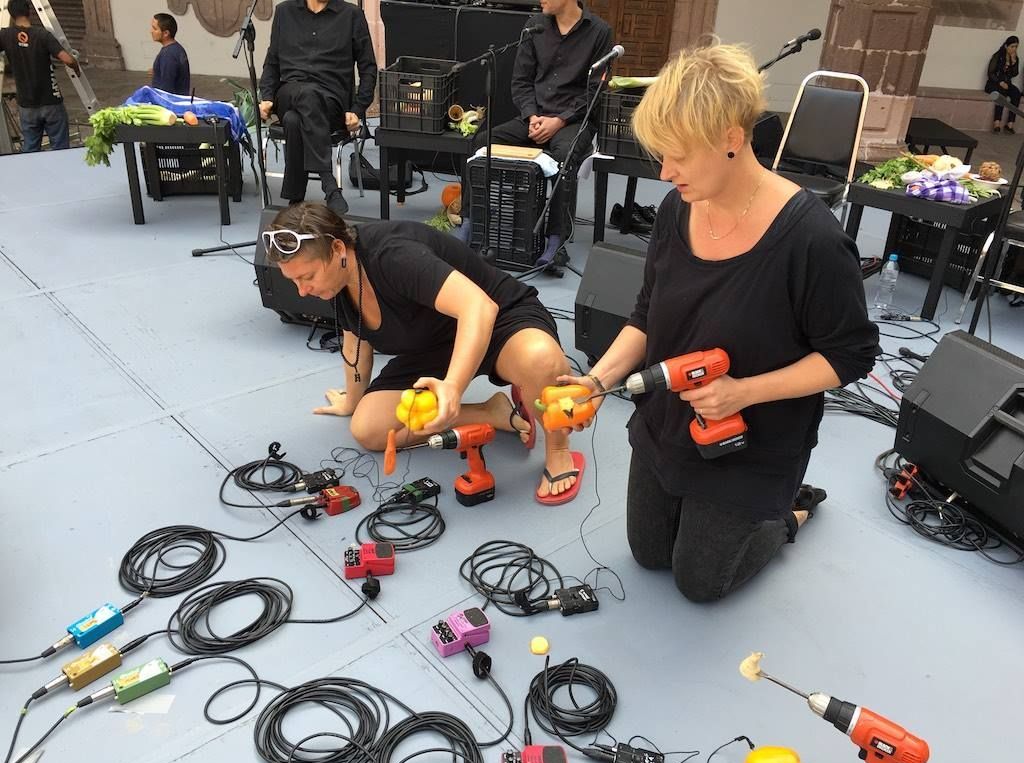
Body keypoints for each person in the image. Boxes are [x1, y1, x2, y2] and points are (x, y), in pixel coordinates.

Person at [560, 43, 878, 602]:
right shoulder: (676, 207)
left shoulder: (813, 239)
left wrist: (743, 393)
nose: (664, 171)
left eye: (678, 155)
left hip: (752, 436)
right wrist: (597, 381)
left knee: (700, 583)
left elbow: (850, 355)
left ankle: (788, 515)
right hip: (671, 417)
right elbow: (644, 316)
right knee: (648, 553)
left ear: (732, 138)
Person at [264, 203, 585, 504]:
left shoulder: (392, 255)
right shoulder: (337, 279)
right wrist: (351, 401)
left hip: (498, 320)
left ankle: (558, 448)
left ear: (337, 250)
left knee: (541, 359)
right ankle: (492, 412)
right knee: (370, 429)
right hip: (432, 346)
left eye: (307, 277)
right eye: (293, 281)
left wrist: (453, 389)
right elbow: (355, 342)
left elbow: (479, 307)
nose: (302, 291)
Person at [457, 0, 611, 265]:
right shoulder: (534, 27)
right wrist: (531, 115)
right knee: (483, 143)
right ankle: (472, 223)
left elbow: (595, 91)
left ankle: (554, 240)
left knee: (565, 155)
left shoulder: (599, 32)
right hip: (534, 116)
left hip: (573, 120)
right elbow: (521, 81)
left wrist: (560, 121)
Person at [258, 0, 377, 216]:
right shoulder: (284, 12)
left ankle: (295, 199)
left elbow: (368, 67)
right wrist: (266, 96)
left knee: (295, 120)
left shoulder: (351, 15)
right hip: (289, 92)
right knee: (305, 94)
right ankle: (329, 184)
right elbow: (272, 62)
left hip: (331, 100)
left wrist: (358, 109)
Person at [0, 0, 78, 152]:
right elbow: (67, 59)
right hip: (51, 101)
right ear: (29, 11)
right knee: (60, 149)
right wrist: (76, 67)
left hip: (27, 104)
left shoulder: (5, 36)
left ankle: (33, 175)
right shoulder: (42, 35)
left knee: (30, 149)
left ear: (10, 13)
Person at [986, 35, 1020, 133]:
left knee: (1016, 93)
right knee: (1001, 94)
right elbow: (990, 73)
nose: (1014, 49)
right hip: (994, 83)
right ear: (1006, 46)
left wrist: (1013, 63)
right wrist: (999, 82)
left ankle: (1010, 123)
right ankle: (997, 123)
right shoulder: (998, 56)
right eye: (1012, 46)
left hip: (1006, 84)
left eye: (1016, 47)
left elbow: (1015, 74)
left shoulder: (1015, 58)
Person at [150, 13, 190, 96]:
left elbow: (167, 88)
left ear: (166, 33)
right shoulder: (176, 49)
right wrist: (157, 71)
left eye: (155, 29)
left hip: (170, 103)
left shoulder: (168, 55)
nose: (151, 31)